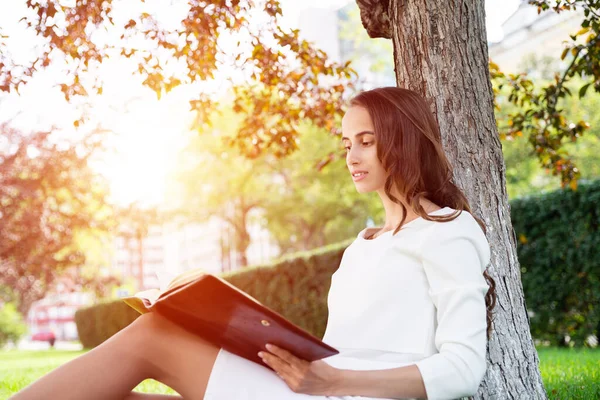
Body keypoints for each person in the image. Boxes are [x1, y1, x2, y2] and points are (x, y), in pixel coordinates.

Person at [11, 87, 496, 400]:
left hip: (351, 395)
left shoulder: (449, 231)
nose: (352, 154)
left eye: (366, 140)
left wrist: (334, 382)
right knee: (105, 394)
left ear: (404, 140)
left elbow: (464, 367)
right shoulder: (364, 244)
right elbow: (341, 350)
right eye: (346, 142)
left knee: (155, 335)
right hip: (320, 389)